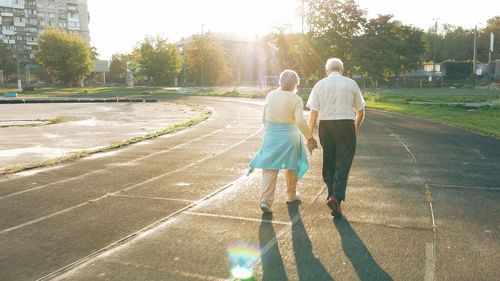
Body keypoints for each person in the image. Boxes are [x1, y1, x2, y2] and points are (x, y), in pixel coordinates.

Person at [249, 70, 318, 213]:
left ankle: (265, 201)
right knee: (291, 166)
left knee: (269, 167)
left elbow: (264, 118)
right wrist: (309, 137)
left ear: (280, 81)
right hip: (290, 138)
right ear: (295, 83)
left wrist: (271, 130)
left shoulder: (271, 95)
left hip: (272, 135)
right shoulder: (296, 99)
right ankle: (291, 195)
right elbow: (300, 121)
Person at [306, 58, 365, 217]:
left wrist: (309, 135)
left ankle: (331, 194)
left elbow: (313, 113)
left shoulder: (319, 85)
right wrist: (356, 128)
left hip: (326, 125)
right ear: (342, 70)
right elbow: (360, 111)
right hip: (346, 124)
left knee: (329, 161)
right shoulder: (351, 84)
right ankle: (336, 197)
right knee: (343, 162)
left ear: (326, 71)